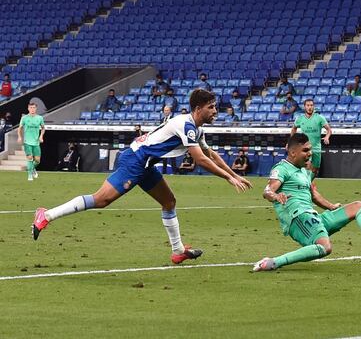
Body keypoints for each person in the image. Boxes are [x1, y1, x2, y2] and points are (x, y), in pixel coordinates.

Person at [31, 89, 253, 265]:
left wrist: (235, 174)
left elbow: (210, 154)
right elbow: (200, 160)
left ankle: (178, 251)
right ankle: (46, 215)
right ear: (198, 109)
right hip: (135, 160)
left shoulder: (196, 128)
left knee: (169, 202)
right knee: (101, 200)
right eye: (211, 107)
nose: (215, 111)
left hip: (145, 164)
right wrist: (228, 178)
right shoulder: (186, 125)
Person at [252, 133, 361, 272]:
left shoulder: (304, 172)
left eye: (310, 150)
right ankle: (273, 262)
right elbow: (267, 191)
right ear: (293, 152)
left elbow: (314, 196)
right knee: (325, 248)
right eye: (305, 150)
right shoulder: (282, 168)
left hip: (313, 217)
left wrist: (331, 206)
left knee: (359, 206)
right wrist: (275, 196)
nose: (310, 153)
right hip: (298, 219)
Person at [290, 99, 331, 177]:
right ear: (304, 107)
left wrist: (327, 137)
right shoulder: (300, 118)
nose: (310, 107)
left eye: (311, 105)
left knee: (315, 170)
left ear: (314, 107)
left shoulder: (319, 118)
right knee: (307, 166)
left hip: (316, 148)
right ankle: (305, 185)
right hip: (305, 148)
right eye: (308, 105)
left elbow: (329, 130)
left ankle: (308, 184)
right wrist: (291, 142)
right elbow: (293, 129)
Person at [18, 101, 45, 181]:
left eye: (34, 108)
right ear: (28, 108)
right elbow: (19, 128)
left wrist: (41, 136)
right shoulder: (24, 118)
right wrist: (19, 137)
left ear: (36, 109)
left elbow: (43, 128)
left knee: (37, 160)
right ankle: (29, 175)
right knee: (29, 158)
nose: (32, 109)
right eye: (31, 108)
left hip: (36, 142)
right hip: (27, 142)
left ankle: (32, 169)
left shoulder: (40, 118)